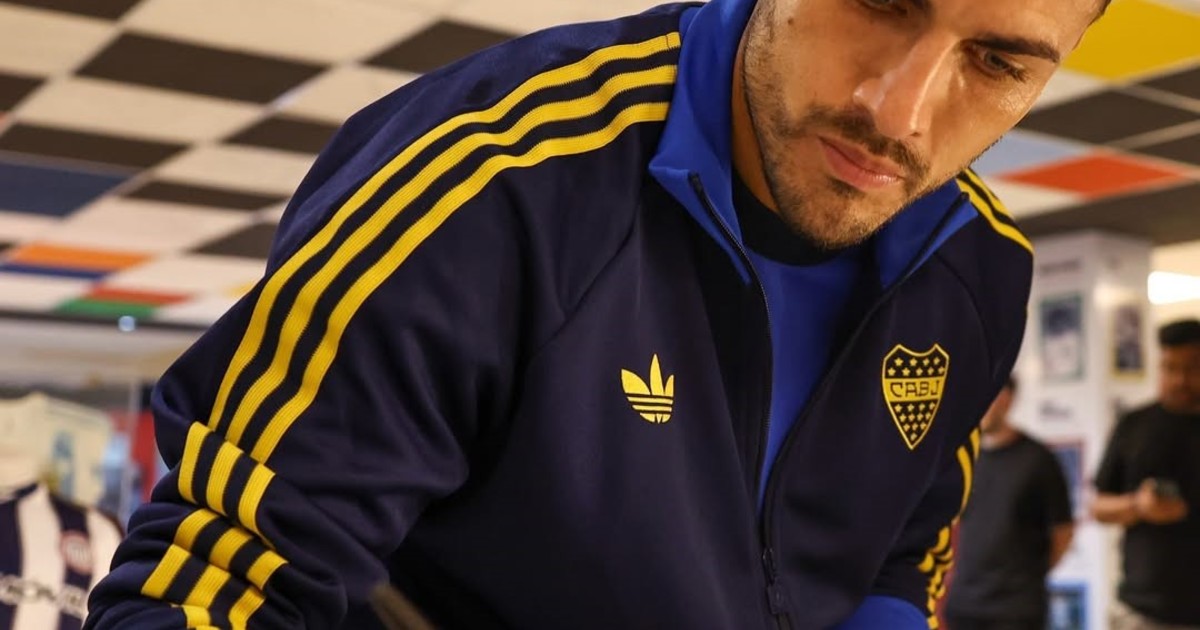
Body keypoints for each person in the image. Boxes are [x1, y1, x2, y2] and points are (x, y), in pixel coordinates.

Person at [84, 0, 1110, 627]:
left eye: (998, 63)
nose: (901, 112)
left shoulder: (978, 272)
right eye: (879, 0)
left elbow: (897, 554)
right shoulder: (495, 173)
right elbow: (217, 583)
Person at [1092, 319, 1200, 630]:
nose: (1180, 380)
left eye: (1191, 368)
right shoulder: (1134, 425)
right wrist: (1139, 506)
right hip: (1141, 611)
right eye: (1169, 368)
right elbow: (1098, 507)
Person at [944, 376, 1075, 630]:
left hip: (1017, 610)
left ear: (1007, 399)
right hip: (964, 606)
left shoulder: (1038, 460)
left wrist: (1027, 578)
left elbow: (1063, 531)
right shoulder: (960, 459)